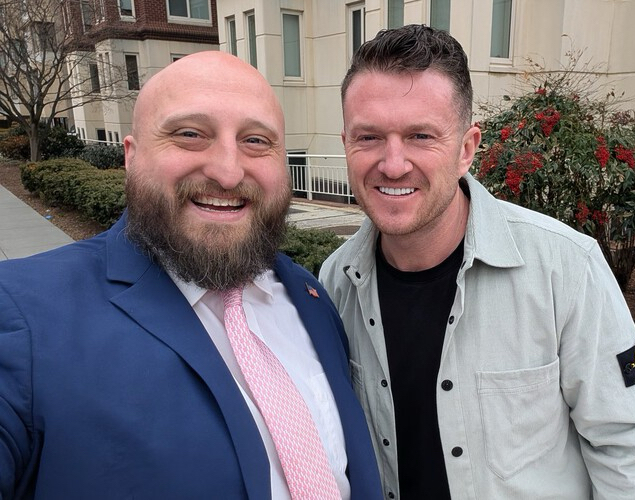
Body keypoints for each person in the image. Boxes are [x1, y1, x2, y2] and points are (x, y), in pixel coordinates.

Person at [0, 51, 382, 500]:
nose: (228, 171)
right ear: (131, 156)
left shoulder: (311, 295)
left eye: (255, 140)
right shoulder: (23, 314)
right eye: (189, 134)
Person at [319, 25, 635, 499]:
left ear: (466, 149)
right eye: (369, 137)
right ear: (346, 144)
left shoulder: (565, 268)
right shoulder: (335, 282)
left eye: (421, 135)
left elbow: (627, 442)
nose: (393, 163)